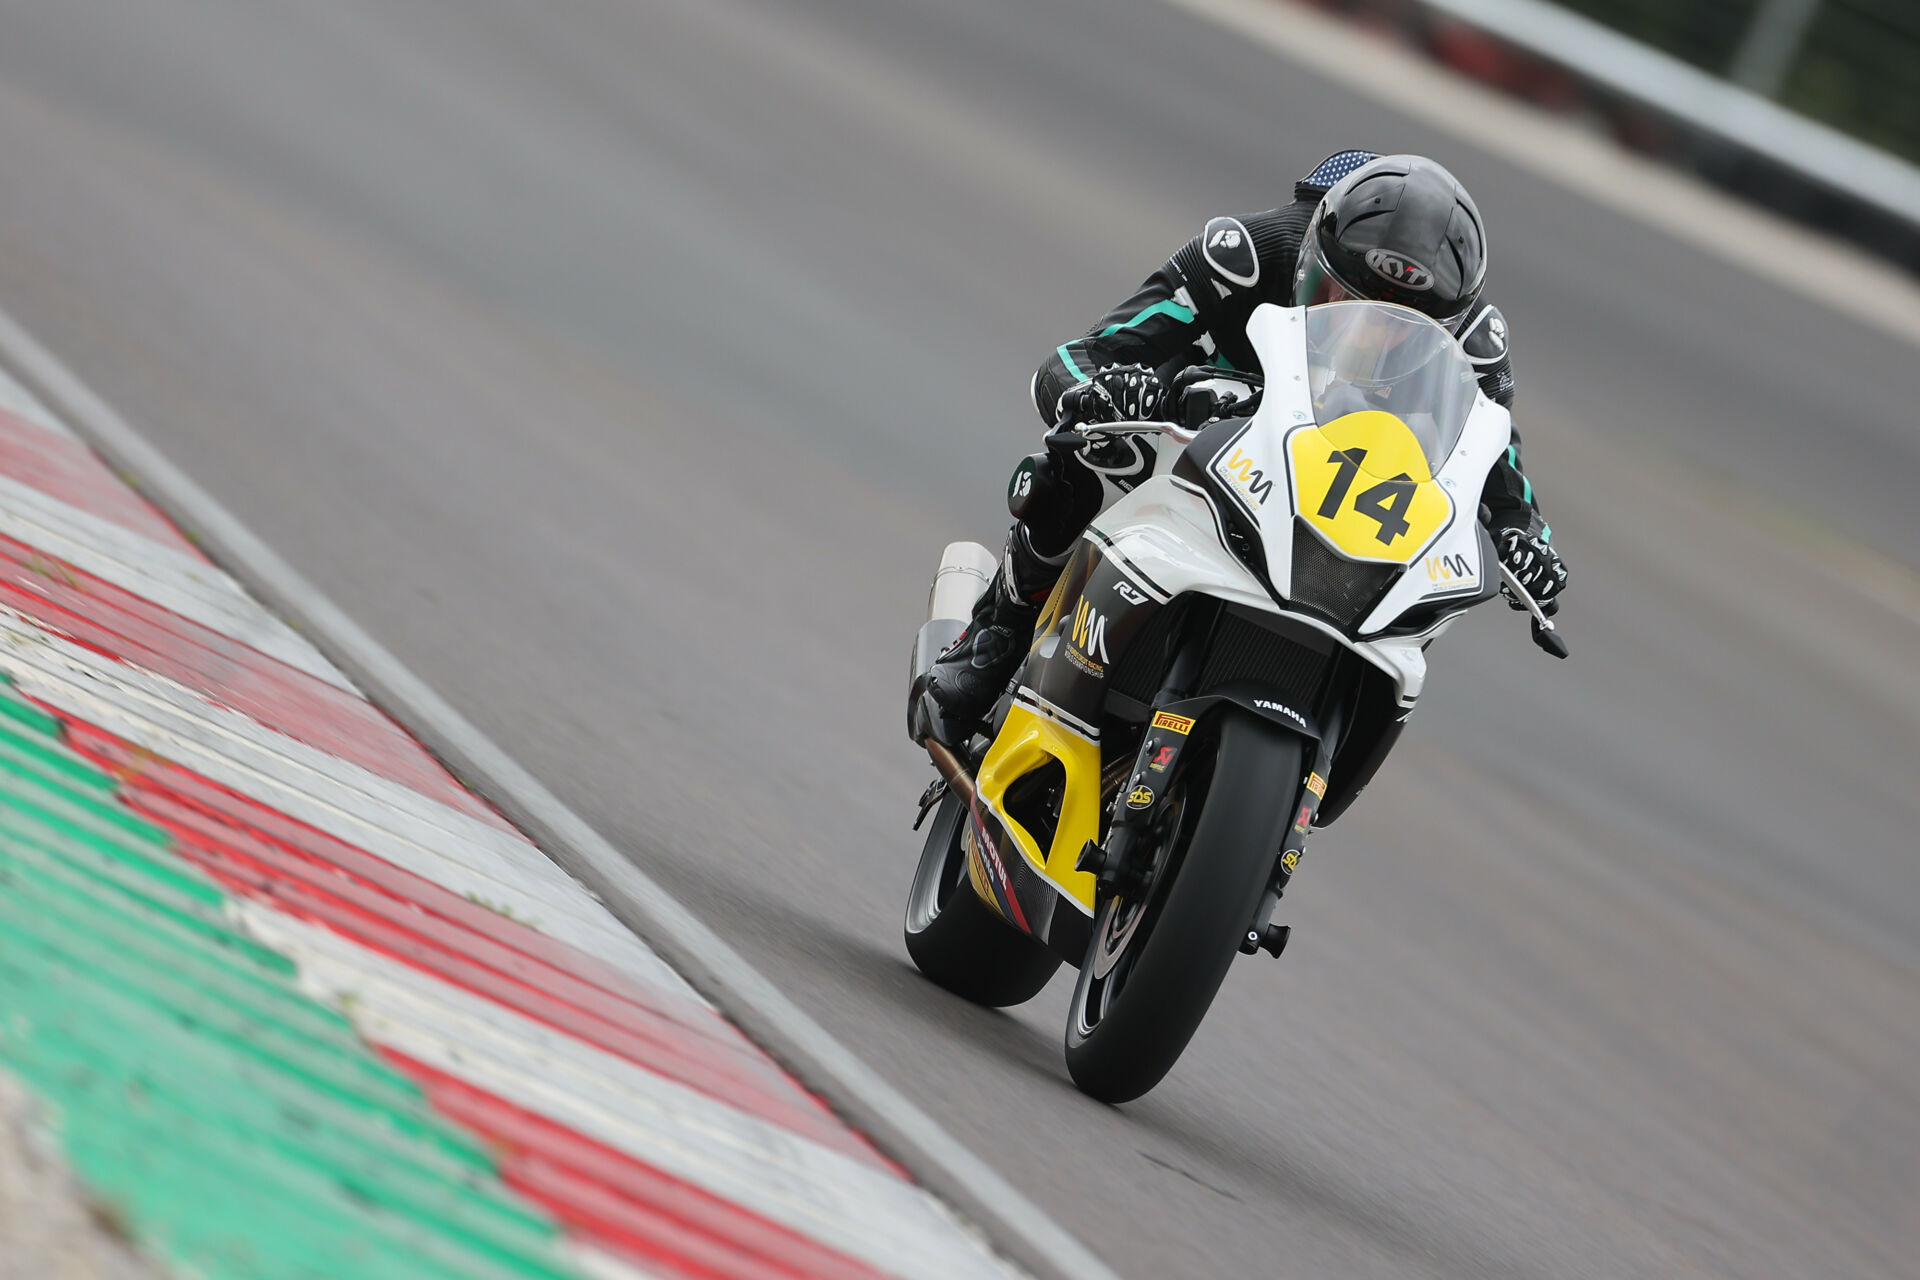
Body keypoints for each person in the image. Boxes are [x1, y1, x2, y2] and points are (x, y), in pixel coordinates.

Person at [928, 151, 1569, 723]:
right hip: (1202, 443)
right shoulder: (1246, 253)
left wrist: (1527, 543)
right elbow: (1077, 357)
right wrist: (1106, 392)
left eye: (1395, 328)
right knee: (1082, 452)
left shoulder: (1476, 345)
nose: (1362, 336)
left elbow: (1501, 479)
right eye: (1341, 299)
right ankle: (996, 637)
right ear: (1313, 256)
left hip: (1343, 498)